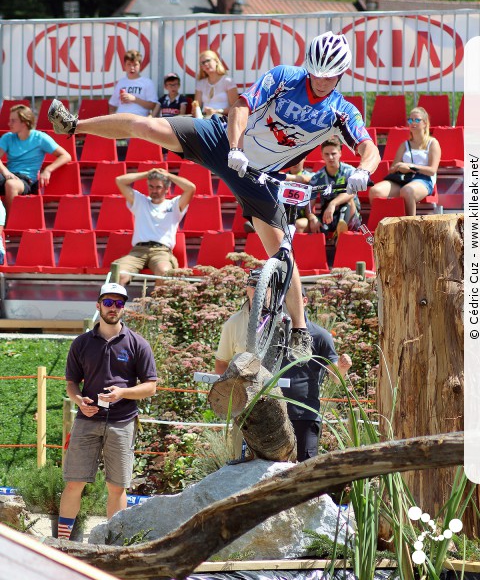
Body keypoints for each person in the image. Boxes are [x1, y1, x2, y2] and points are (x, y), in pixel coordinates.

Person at [48, 31, 380, 362]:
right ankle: (74, 124)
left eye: (330, 77)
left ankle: (300, 330)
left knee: (284, 254)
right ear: (308, 66)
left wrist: (363, 170)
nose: (321, 82)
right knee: (148, 128)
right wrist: (235, 147)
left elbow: (369, 148)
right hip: (224, 142)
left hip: (261, 178)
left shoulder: (341, 110)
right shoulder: (284, 77)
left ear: (341, 74)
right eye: (316, 74)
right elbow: (242, 106)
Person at [215, 269, 351, 462]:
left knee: (304, 469)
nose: (288, 304)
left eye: (292, 299)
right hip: (265, 412)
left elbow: (336, 378)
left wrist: (343, 369)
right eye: (285, 299)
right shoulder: (273, 328)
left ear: (303, 301)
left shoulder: (320, 336)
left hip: (304, 414)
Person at [57, 282, 157, 539]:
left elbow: (150, 387)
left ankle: (112, 544)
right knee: (73, 483)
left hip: (122, 422)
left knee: (117, 487)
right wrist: (79, 401)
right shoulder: (81, 343)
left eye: (119, 303)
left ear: (124, 308)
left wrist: (122, 392)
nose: (114, 308)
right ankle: (62, 541)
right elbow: (71, 383)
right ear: (98, 305)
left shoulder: (138, 344)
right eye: (109, 302)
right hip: (87, 420)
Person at [113, 168, 195, 285]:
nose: (154, 190)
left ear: (167, 189)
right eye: (151, 187)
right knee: (119, 274)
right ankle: (116, 303)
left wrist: (168, 175)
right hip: (138, 251)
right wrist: (147, 174)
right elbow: (119, 180)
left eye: (158, 187)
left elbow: (191, 188)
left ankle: (155, 303)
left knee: (164, 273)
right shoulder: (140, 201)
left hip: (161, 251)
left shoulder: (174, 204)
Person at [369, 106, 441, 216]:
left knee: (407, 191)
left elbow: (432, 170)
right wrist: (399, 168)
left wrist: (410, 167)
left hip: (423, 180)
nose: (413, 123)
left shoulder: (433, 143)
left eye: (417, 120)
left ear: (425, 123)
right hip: (403, 180)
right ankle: (382, 224)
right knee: (375, 191)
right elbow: (392, 170)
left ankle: (410, 227)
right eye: (410, 120)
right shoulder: (404, 145)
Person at [0, 104, 71, 211]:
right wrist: (6, 172)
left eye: (13, 120)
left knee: (11, 185)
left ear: (24, 122)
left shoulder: (40, 138)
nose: (9, 124)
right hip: (8, 175)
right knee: (10, 182)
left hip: (26, 180)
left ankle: (8, 224)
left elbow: (66, 156)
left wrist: (48, 170)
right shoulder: (7, 137)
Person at [287, 136, 362, 236]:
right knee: (317, 225)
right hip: (328, 214)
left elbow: (352, 192)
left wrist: (333, 204)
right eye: (327, 154)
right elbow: (309, 205)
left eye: (333, 154)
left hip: (350, 214)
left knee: (348, 199)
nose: (330, 157)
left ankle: (341, 229)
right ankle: (337, 234)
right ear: (322, 155)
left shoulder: (350, 171)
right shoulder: (317, 177)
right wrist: (312, 217)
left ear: (340, 153)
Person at [109, 49, 158, 117]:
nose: (132, 68)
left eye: (135, 65)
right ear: (125, 66)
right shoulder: (121, 82)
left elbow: (153, 105)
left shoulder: (147, 83)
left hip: (138, 119)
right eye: (129, 64)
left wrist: (134, 99)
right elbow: (112, 104)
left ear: (140, 66)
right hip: (121, 119)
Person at [194, 50, 239, 119]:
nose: (206, 64)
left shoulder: (227, 81)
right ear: (201, 67)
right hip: (203, 118)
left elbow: (236, 107)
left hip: (222, 119)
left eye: (208, 60)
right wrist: (195, 110)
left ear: (216, 61)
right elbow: (197, 106)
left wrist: (216, 111)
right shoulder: (201, 83)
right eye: (202, 63)